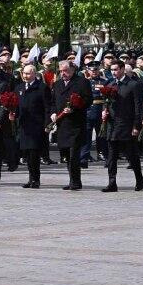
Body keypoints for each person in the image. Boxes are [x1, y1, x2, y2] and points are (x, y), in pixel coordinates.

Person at [102, 60, 143, 192]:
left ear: (122, 69)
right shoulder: (110, 84)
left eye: (116, 69)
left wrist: (136, 126)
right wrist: (104, 111)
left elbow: (138, 107)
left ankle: (139, 178)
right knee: (111, 156)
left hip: (127, 125)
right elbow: (106, 102)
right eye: (112, 70)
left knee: (132, 155)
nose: (113, 72)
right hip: (112, 125)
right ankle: (112, 182)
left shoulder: (133, 85)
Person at [51, 60, 93, 190]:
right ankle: (73, 180)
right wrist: (53, 112)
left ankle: (75, 181)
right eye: (61, 71)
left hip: (75, 124)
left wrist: (75, 108)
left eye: (66, 71)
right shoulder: (57, 84)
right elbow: (53, 101)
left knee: (74, 153)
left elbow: (88, 100)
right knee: (66, 154)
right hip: (62, 124)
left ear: (73, 70)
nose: (63, 73)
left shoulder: (82, 82)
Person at [17, 65, 50, 188]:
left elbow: (47, 107)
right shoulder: (19, 87)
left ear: (34, 74)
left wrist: (47, 124)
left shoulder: (42, 87)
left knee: (34, 154)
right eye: (24, 73)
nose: (25, 76)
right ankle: (31, 178)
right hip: (24, 126)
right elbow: (16, 106)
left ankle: (35, 179)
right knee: (27, 154)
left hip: (37, 125)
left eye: (28, 74)